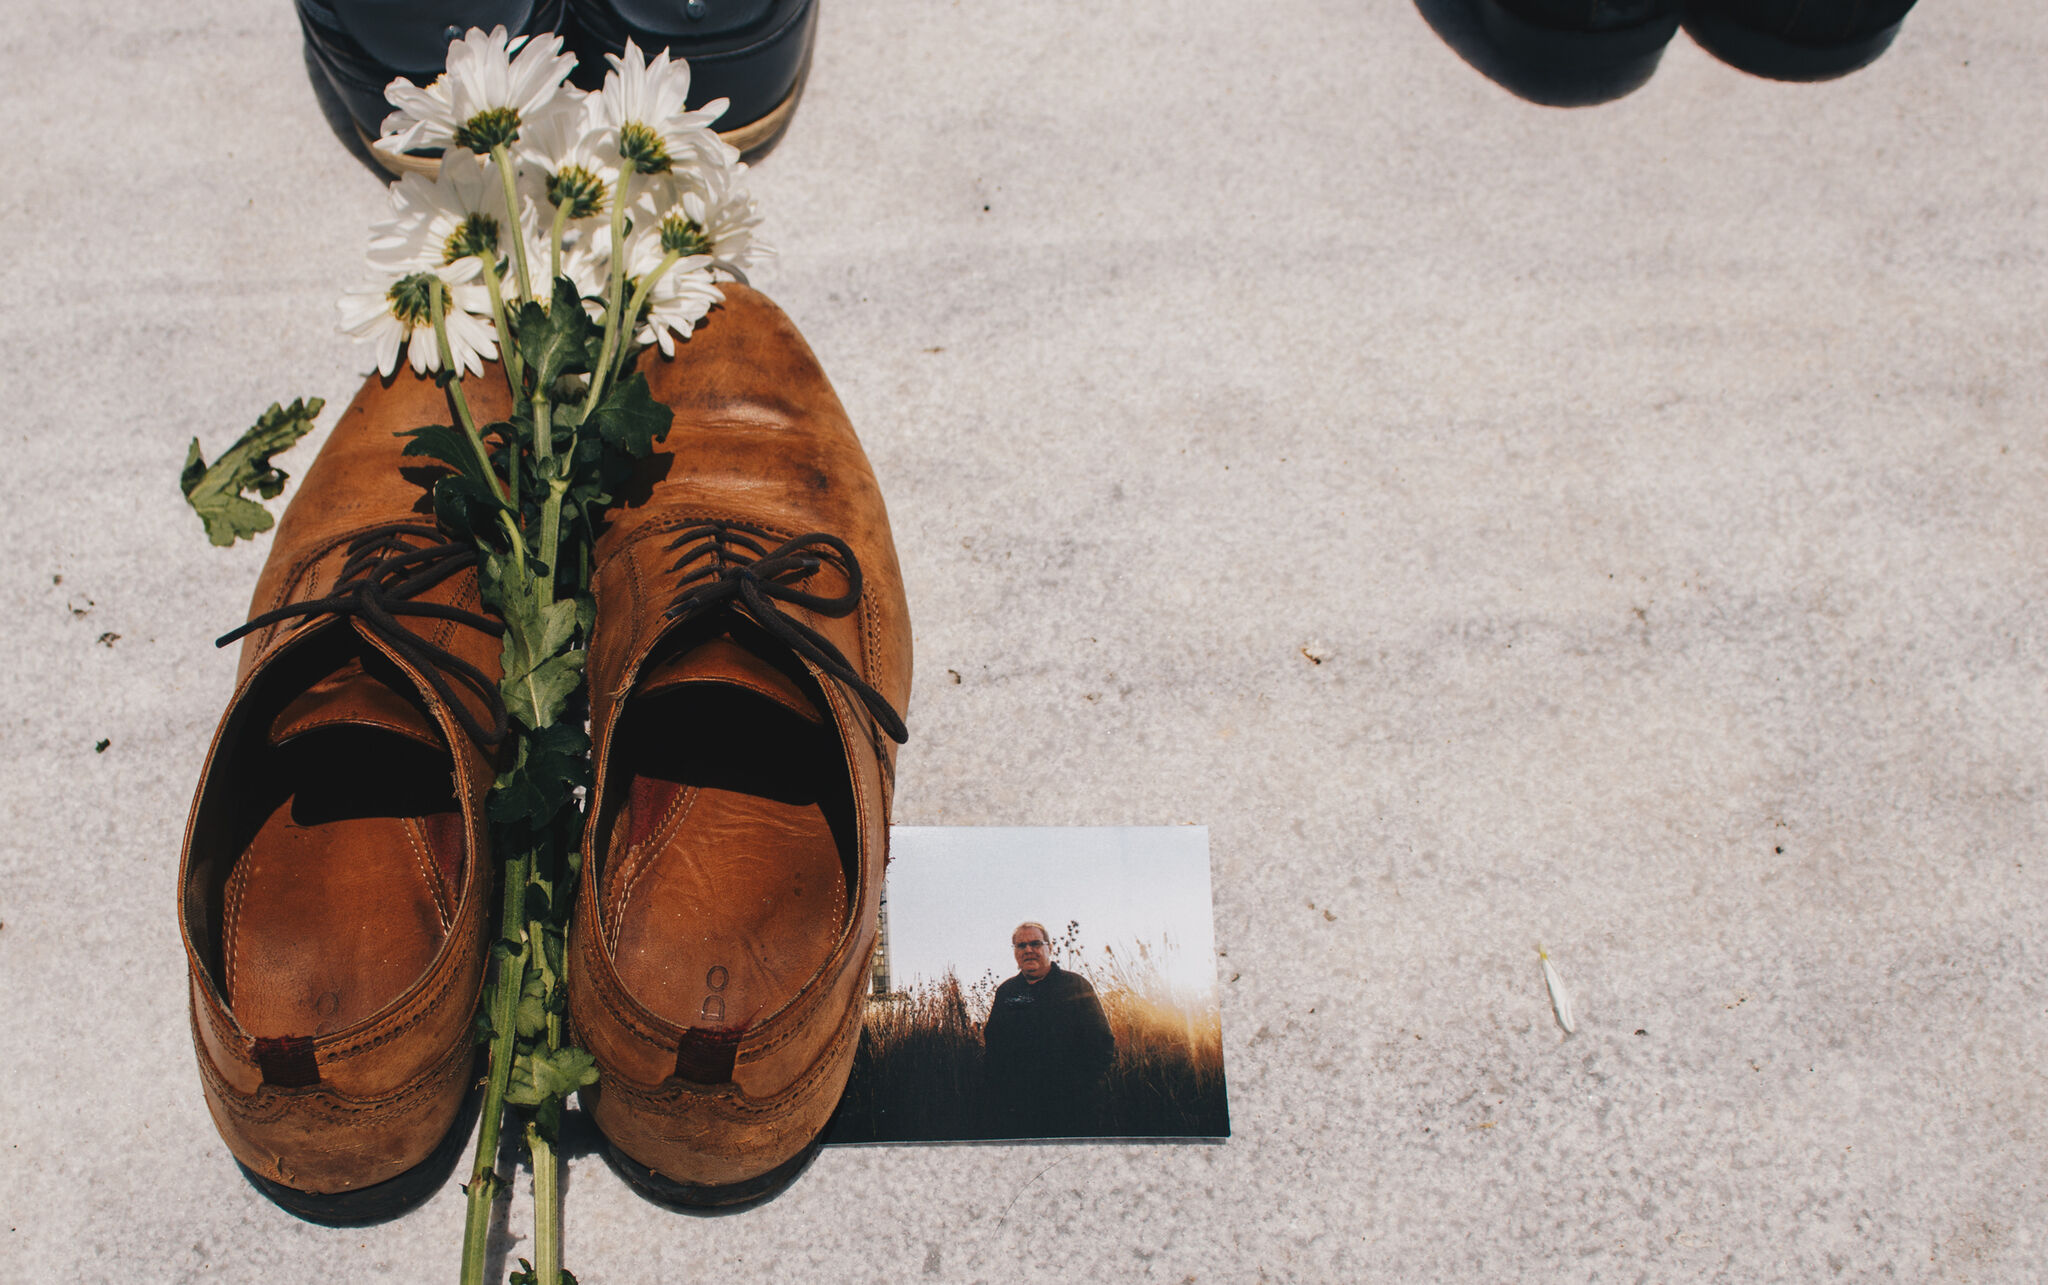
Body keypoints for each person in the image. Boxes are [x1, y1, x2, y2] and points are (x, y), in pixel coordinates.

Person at [982, 922, 1115, 1137]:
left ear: (1049, 948)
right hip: (1018, 1111)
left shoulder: (1076, 986)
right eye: (1021, 946)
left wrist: (1080, 1088)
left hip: (1072, 1109)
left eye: (1035, 943)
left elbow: (1102, 1043)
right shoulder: (1007, 992)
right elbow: (994, 1049)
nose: (1028, 950)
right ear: (1015, 952)